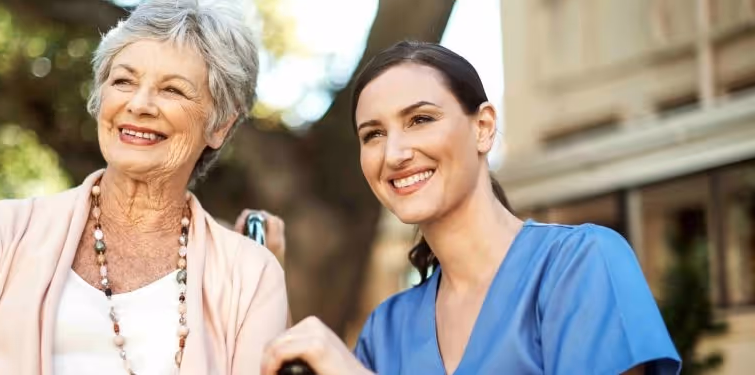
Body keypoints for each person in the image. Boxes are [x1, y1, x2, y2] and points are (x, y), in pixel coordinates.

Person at [0, 1, 289, 374]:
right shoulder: (1, 231)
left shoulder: (251, 276)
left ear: (220, 125)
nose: (139, 104)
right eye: (123, 80)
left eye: (172, 90)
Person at [260, 41, 681, 375]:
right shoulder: (386, 331)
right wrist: (263, 291)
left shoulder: (581, 264)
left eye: (420, 119)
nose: (395, 153)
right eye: (373, 134)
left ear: (482, 127)